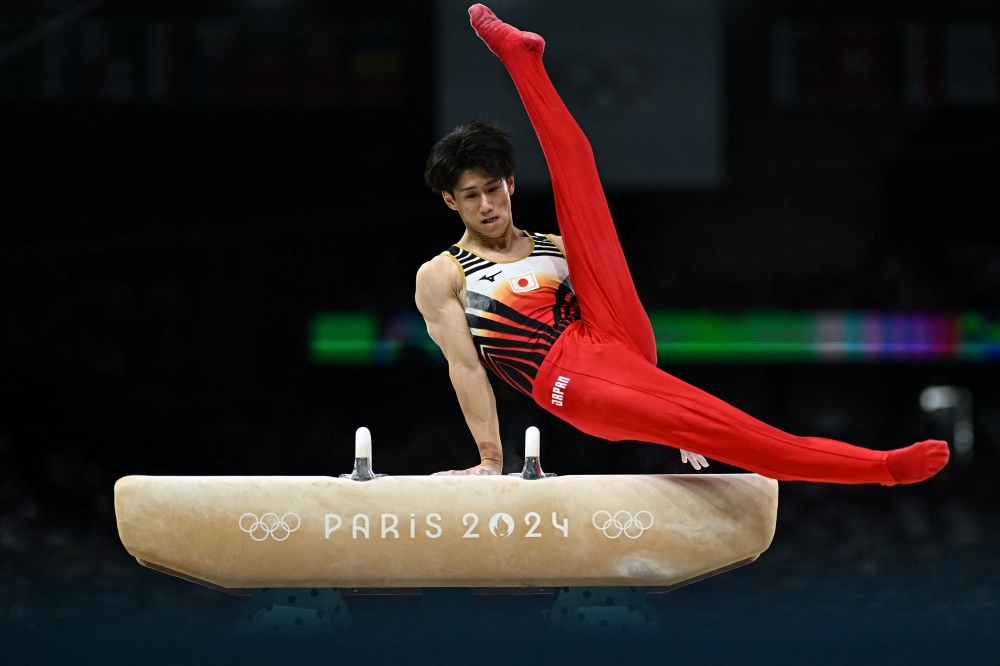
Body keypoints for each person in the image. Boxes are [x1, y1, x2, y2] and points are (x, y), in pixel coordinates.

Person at [414, 4, 949, 484]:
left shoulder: (554, 245)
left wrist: (664, 414)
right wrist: (490, 459)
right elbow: (465, 368)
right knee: (735, 432)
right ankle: (880, 467)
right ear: (450, 203)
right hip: (569, 379)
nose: (487, 205)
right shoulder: (445, 274)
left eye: (492, 189)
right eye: (470, 196)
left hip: (616, 343)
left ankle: (520, 56)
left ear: (509, 184)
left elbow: (625, 359)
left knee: (577, 172)